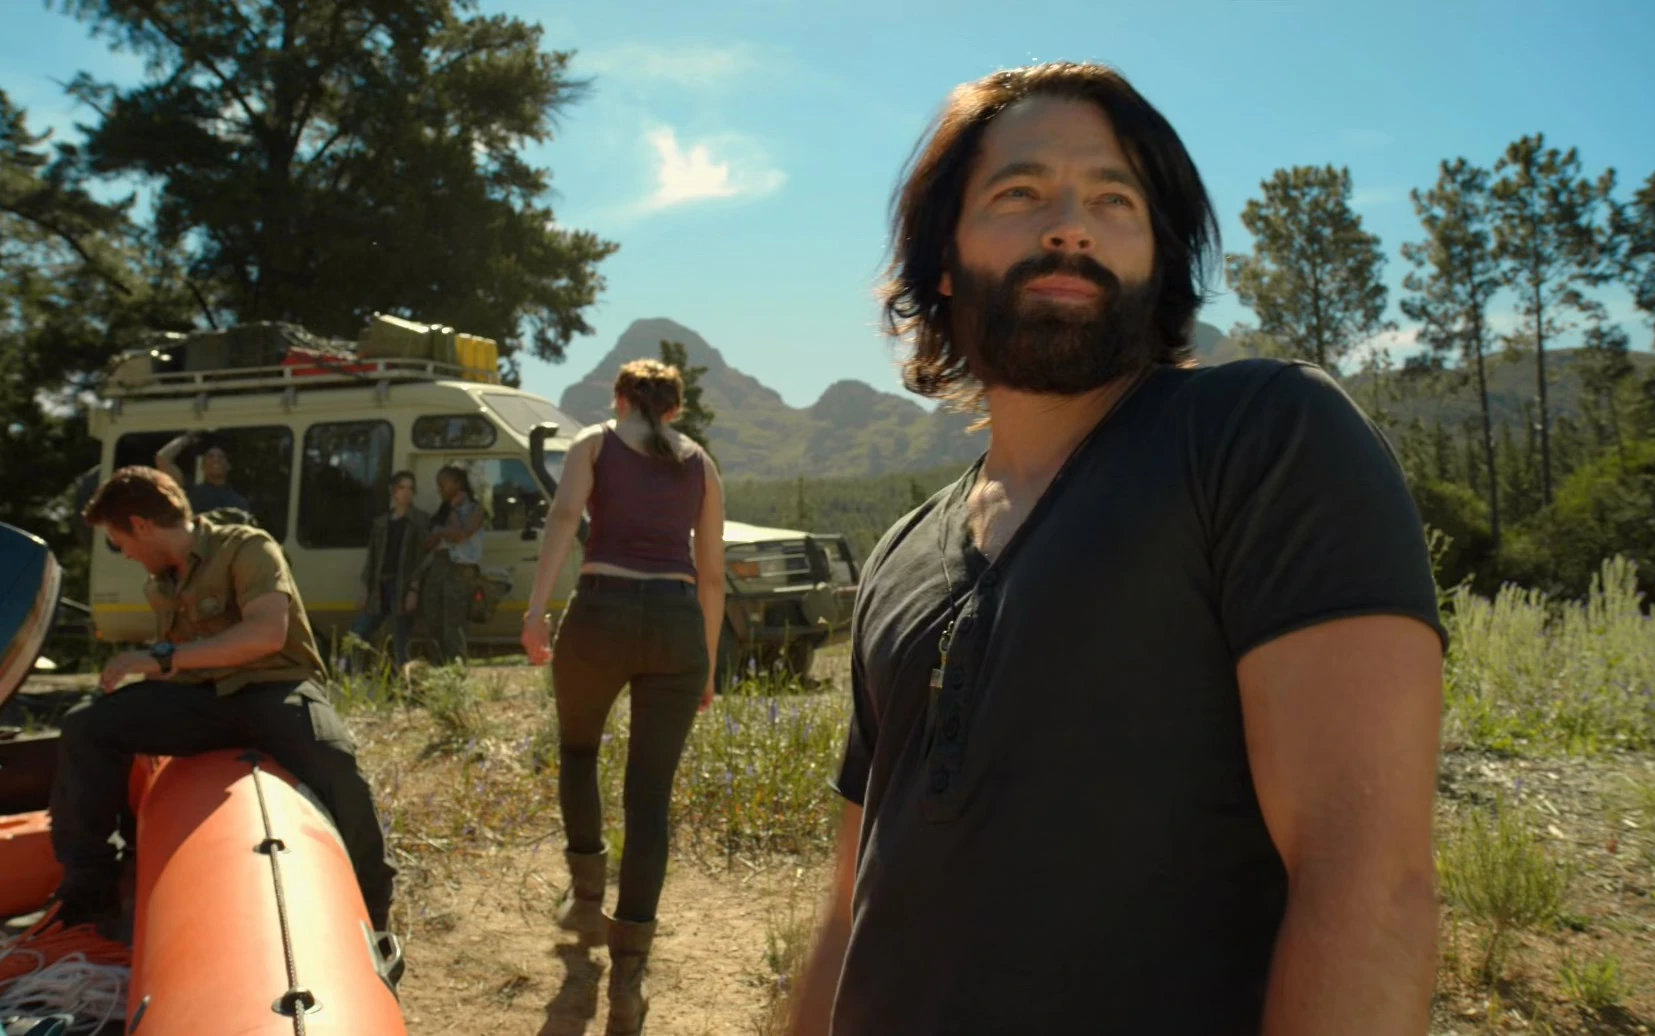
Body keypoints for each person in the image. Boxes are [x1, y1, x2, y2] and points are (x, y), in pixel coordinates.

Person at [786, 62, 1447, 1035]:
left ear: (1158, 259)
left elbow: (1368, 888)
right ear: (942, 260)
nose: (1071, 226)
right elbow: (850, 906)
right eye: (1020, 194)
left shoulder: (1261, 440)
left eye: (1114, 199)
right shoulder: (898, 553)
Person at [53, 466, 399, 942]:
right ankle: (90, 891)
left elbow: (266, 634)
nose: (126, 554)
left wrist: (162, 658)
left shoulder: (247, 547)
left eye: (121, 542)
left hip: (273, 688)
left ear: (142, 525)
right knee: (86, 726)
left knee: (334, 761)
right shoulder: (160, 583)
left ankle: (373, 913)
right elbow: (184, 659)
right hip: (201, 700)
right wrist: (148, 678)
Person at [522, 358, 726, 1036]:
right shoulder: (702, 464)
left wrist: (535, 611)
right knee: (649, 800)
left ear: (620, 399)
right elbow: (712, 576)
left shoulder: (594, 443)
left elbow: (563, 517)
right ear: (674, 408)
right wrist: (707, 663)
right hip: (676, 627)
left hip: (600, 615)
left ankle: (586, 900)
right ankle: (628, 979)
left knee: (579, 751)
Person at [349, 470, 430, 673]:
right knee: (358, 633)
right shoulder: (381, 523)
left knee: (401, 639)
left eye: (411, 488)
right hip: (379, 586)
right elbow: (372, 557)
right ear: (393, 491)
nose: (407, 492)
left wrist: (414, 589)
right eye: (402, 488)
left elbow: (423, 557)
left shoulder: (419, 520)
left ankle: (405, 681)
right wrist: (366, 588)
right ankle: (355, 674)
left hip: (402, 586)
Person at [417, 464, 485, 665]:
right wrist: (440, 532)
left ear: (458, 484)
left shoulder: (475, 510)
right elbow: (427, 543)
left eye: (443, 484)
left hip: (461, 568)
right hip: (439, 564)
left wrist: (452, 513)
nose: (439, 490)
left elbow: (461, 535)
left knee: (454, 620)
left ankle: (456, 664)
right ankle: (438, 661)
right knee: (432, 614)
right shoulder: (441, 512)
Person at [154, 432, 254, 517]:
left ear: (228, 466)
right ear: (202, 466)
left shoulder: (238, 501)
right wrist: (189, 436)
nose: (216, 459)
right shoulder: (190, 490)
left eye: (221, 456)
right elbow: (162, 458)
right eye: (210, 456)